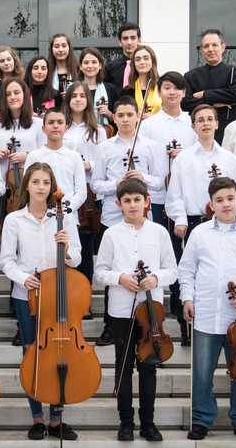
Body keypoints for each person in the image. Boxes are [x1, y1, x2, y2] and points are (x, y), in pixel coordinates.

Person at [180, 177, 236, 442]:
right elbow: (186, 270)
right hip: (206, 313)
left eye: (230, 198)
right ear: (211, 205)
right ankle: (201, 419)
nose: (226, 204)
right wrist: (187, 298)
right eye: (219, 200)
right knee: (202, 373)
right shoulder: (200, 233)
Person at [0, 162, 81, 441]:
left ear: (52, 187)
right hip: (27, 296)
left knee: (59, 352)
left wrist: (68, 250)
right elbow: (7, 261)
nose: (41, 187)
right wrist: (24, 278)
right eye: (35, 182)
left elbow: (79, 258)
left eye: (46, 183)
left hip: (59, 295)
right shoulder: (14, 220)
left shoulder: (64, 216)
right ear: (27, 186)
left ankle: (57, 417)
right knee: (32, 353)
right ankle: (37, 416)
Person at [95, 178, 176, 442]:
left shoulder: (160, 233)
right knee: (124, 366)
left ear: (147, 202)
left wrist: (156, 279)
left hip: (152, 313)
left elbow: (172, 270)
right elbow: (100, 272)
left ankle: (148, 422)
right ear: (118, 204)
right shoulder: (111, 234)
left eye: (137, 200)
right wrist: (120, 278)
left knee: (149, 366)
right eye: (127, 201)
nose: (132, 205)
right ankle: (126, 422)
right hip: (121, 311)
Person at [92, 96, 162, 346]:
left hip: (143, 218)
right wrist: (116, 184)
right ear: (114, 118)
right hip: (113, 219)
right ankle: (110, 326)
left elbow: (160, 180)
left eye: (129, 115)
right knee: (114, 272)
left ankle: (149, 329)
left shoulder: (150, 146)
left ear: (137, 116)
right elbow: (96, 184)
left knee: (143, 270)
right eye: (119, 115)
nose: (124, 120)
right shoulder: (105, 147)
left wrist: (143, 177)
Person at [138, 71, 197, 342]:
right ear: (159, 93)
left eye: (177, 89)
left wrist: (184, 155)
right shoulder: (149, 125)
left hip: (188, 200)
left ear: (184, 93)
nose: (172, 92)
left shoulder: (192, 122)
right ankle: (170, 315)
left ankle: (187, 324)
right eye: (167, 88)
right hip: (159, 198)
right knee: (167, 257)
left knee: (189, 259)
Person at [165, 104, 236, 242]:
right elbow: (174, 195)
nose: (206, 123)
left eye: (210, 119)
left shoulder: (230, 158)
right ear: (193, 127)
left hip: (224, 221)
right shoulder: (183, 159)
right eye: (200, 120)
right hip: (194, 222)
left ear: (217, 124)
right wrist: (180, 219)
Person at [0, 77, 45, 219]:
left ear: (24, 95)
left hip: (28, 190)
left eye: (17, 93)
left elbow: (46, 155)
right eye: (8, 94)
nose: (12, 97)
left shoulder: (38, 124)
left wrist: (28, 156)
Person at [62, 81, 105, 287]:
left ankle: (84, 296)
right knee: (66, 246)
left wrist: (89, 164)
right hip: (65, 190)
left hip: (88, 194)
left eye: (82, 95)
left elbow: (104, 162)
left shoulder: (99, 130)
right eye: (74, 96)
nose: (78, 99)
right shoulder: (61, 127)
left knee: (86, 247)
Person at [181, 29, 236, 145]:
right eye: (206, 46)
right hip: (198, 135)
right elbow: (185, 103)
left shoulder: (235, 72)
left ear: (223, 47)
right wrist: (214, 103)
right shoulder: (191, 76)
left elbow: (235, 95)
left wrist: (204, 94)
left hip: (228, 132)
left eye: (215, 45)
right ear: (201, 50)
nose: (210, 49)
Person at [25, 109, 87, 221]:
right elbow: (28, 188)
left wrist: (67, 209)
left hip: (68, 217)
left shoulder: (74, 156)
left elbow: (81, 191)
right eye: (50, 122)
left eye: (60, 122)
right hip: (40, 216)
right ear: (43, 129)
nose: (55, 126)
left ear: (66, 128)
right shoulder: (33, 156)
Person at [78, 47, 118, 131]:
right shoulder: (75, 89)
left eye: (94, 62)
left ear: (100, 65)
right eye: (86, 63)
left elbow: (119, 119)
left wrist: (109, 114)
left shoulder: (110, 89)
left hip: (105, 134)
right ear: (80, 66)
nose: (90, 66)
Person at [122, 45, 161, 118]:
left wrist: (154, 118)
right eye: (138, 59)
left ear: (153, 61)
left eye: (146, 58)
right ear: (134, 64)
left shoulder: (162, 87)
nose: (142, 62)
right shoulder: (127, 91)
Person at [105, 22, 142, 94]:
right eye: (125, 38)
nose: (129, 42)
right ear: (119, 42)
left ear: (139, 41)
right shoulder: (110, 67)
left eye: (133, 38)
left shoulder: (144, 66)